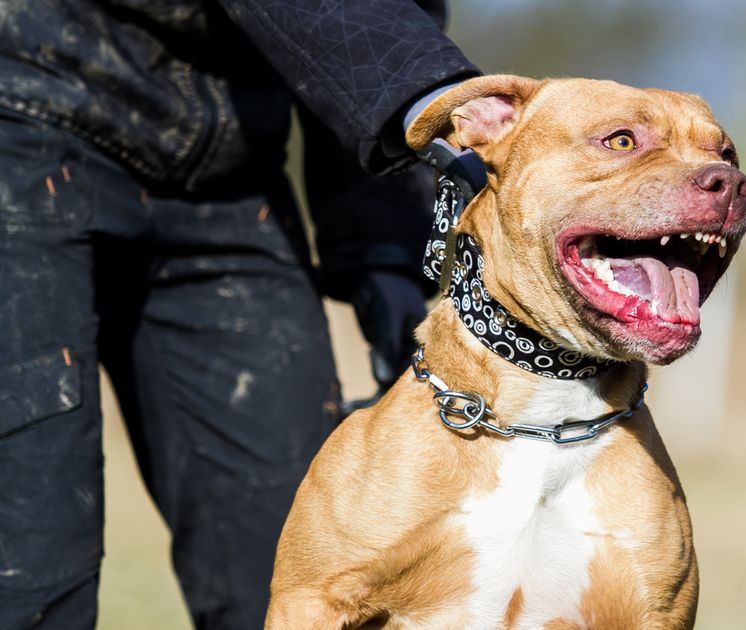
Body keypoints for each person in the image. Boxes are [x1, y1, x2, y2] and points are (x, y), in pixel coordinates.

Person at [0, 0, 479, 627]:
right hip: (28, 108)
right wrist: (430, 94)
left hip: (231, 171)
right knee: (28, 556)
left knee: (291, 562)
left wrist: (381, 251)